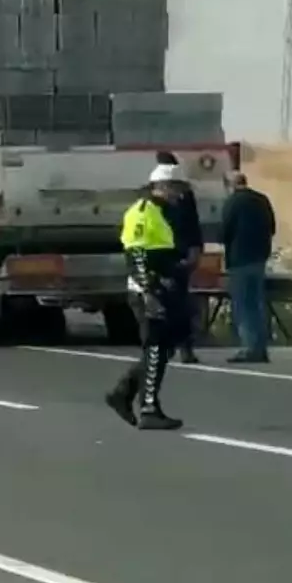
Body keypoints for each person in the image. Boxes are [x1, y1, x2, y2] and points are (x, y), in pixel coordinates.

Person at [105, 162, 186, 431]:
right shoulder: (142, 212)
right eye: (175, 187)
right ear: (159, 187)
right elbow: (137, 254)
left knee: (163, 348)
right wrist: (148, 291)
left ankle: (123, 394)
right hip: (148, 290)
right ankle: (148, 408)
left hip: (163, 286)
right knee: (154, 347)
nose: (179, 193)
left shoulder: (164, 211)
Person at [221, 169, 276, 363]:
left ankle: (249, 348)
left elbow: (224, 231)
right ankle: (260, 347)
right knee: (258, 304)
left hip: (239, 259)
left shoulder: (232, 203)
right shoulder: (262, 200)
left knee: (243, 305)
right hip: (260, 257)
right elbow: (272, 227)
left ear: (230, 185)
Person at [155, 149, 204, 363]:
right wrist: (195, 248)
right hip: (178, 253)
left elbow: (190, 223)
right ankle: (182, 346)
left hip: (170, 254)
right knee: (178, 303)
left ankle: (177, 346)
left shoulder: (160, 199)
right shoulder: (183, 195)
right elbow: (193, 224)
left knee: (170, 304)